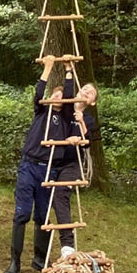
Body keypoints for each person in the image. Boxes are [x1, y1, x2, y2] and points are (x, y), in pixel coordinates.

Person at [5, 56, 80, 273]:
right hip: (29, 166)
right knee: (22, 213)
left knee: (43, 216)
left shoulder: (66, 119)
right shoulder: (41, 111)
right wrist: (48, 68)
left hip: (50, 170)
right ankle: (14, 261)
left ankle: (39, 259)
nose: (58, 98)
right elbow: (38, 94)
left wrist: (68, 70)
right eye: (55, 95)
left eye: (61, 96)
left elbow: (69, 93)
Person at [49, 83, 98, 258]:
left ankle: (67, 246)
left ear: (92, 102)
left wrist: (81, 121)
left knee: (61, 193)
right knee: (45, 200)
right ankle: (41, 251)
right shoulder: (64, 110)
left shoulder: (88, 119)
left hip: (72, 163)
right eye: (85, 88)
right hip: (53, 160)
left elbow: (88, 142)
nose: (86, 92)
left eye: (91, 93)